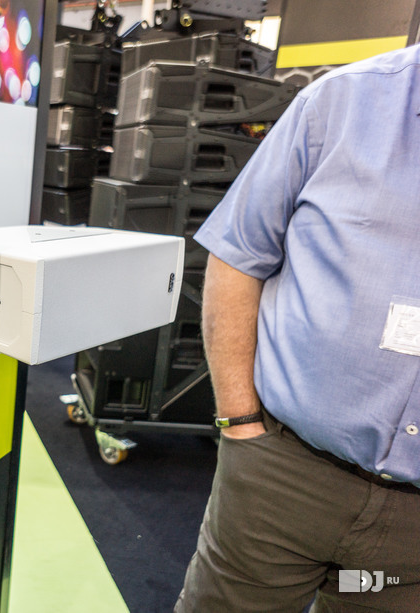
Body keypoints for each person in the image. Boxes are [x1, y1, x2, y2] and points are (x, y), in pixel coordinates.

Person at [176, 44, 420, 611]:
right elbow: (238, 257)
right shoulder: (341, 103)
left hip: (408, 547)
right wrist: (239, 424)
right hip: (284, 481)